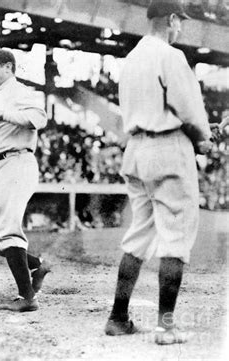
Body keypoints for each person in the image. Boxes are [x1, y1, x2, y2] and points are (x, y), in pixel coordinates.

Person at [104, 0, 214, 345]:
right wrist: (205, 140)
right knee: (176, 238)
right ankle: (166, 328)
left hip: (136, 150)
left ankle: (117, 318)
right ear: (170, 19)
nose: (180, 27)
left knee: (139, 234)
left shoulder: (132, 58)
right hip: (168, 148)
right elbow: (190, 112)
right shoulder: (170, 56)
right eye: (180, 21)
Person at [0, 49, 50, 312]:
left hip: (15, 163)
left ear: (8, 67)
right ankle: (36, 263)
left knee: (7, 231)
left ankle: (27, 297)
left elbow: (40, 119)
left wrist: (2, 113)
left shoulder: (20, 93)